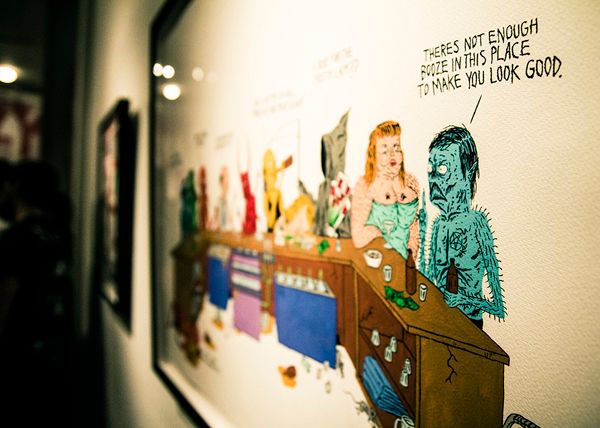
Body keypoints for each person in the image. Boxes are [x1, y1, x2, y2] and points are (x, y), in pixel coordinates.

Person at [0, 160, 72, 422]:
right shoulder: (58, 233)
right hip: (52, 350)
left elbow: (6, 297)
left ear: (14, 188)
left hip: (17, 353)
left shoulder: (16, 238)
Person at [427, 126, 505, 328]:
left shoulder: (477, 224)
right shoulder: (438, 225)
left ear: (468, 173)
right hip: (440, 323)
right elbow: (428, 280)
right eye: (430, 169)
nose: (433, 179)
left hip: (469, 327)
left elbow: (498, 307)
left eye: (443, 169)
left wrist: (463, 300)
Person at [351, 120, 420, 259]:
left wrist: (397, 182)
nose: (392, 155)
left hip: (403, 262)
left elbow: (414, 233)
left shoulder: (410, 182)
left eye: (396, 148)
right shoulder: (365, 184)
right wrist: (380, 238)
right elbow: (358, 237)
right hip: (374, 259)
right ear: (373, 156)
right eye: (384, 151)